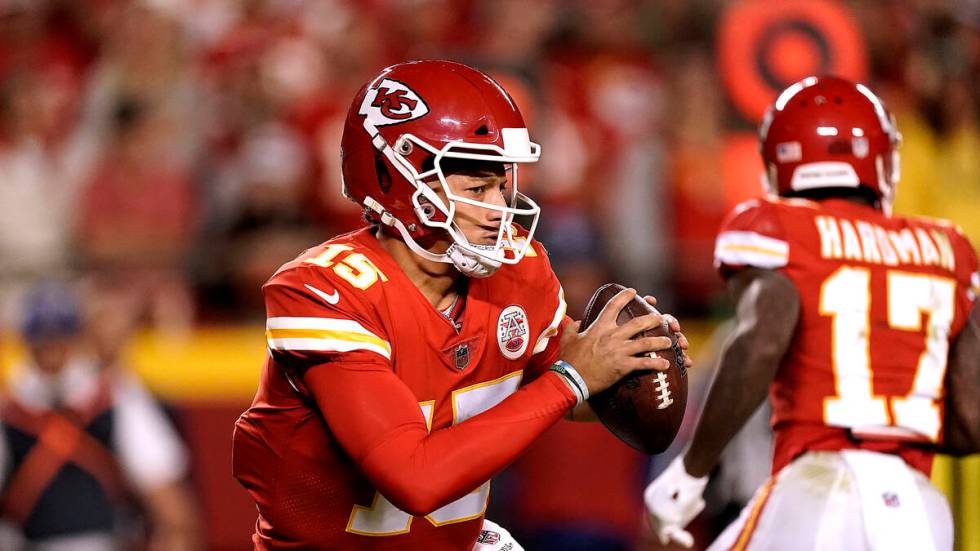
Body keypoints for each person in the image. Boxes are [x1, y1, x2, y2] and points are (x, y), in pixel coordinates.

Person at [232, 59, 689, 550]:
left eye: (502, 184)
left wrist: (622, 366)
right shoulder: (324, 292)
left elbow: (556, 397)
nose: (500, 210)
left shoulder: (519, 270)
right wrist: (573, 378)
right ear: (399, 179)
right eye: (477, 188)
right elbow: (414, 478)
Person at [644, 76, 980, 551]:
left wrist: (690, 470)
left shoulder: (778, 228)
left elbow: (761, 340)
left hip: (821, 486)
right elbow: (972, 418)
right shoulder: (950, 248)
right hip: (921, 509)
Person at [0, 282, 200, 551]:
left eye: (59, 338)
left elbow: (172, 509)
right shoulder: (9, 409)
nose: (51, 350)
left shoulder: (113, 397)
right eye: (43, 340)